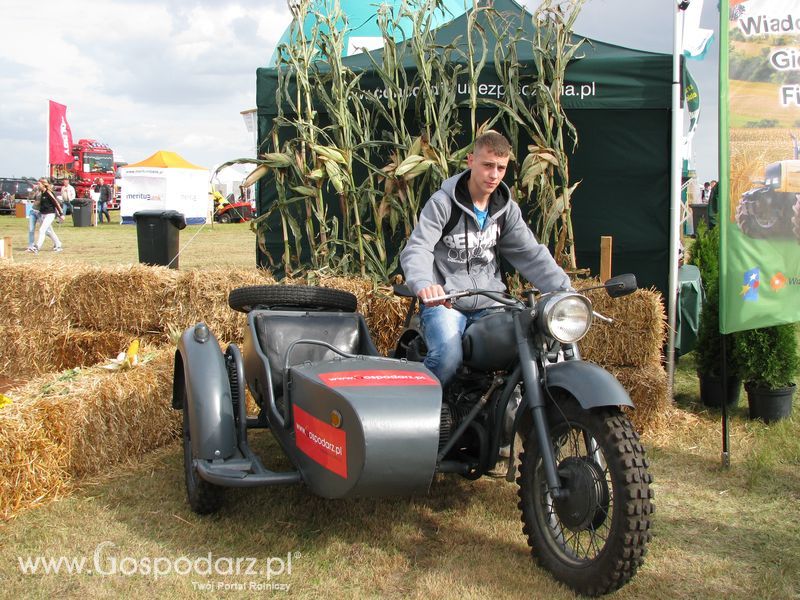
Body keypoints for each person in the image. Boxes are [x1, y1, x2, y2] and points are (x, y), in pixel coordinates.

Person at [400, 131, 572, 386]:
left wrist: (566, 291)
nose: (494, 175)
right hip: (447, 303)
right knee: (448, 356)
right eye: (487, 165)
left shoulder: (505, 209)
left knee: (532, 348)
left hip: (491, 304)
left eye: (501, 168)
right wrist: (425, 284)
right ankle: (419, 413)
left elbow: (531, 253)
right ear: (471, 161)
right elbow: (418, 248)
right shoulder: (443, 204)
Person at [32, 179, 64, 253]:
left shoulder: (48, 193)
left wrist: (61, 214)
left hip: (50, 214)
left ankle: (37, 247)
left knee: (42, 230)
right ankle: (58, 244)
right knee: (49, 232)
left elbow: (56, 203)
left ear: (43, 184)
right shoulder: (41, 193)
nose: (38, 185)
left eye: (39, 184)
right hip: (43, 214)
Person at [25, 181, 43, 252]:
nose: (38, 185)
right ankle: (31, 246)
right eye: (37, 184)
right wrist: (33, 191)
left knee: (46, 231)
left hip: (40, 212)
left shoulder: (45, 192)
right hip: (33, 211)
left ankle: (57, 243)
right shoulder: (37, 191)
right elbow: (30, 198)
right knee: (31, 229)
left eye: (39, 184)